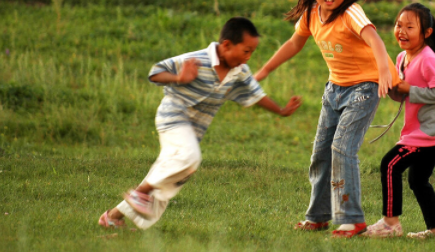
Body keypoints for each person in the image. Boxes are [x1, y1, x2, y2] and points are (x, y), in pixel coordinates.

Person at [98, 17, 301, 230]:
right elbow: (155, 73)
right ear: (226, 45)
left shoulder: (239, 72)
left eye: (252, 52)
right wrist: (179, 78)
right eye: (246, 51)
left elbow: (255, 95)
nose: (248, 58)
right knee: (190, 158)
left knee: (172, 176)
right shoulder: (197, 60)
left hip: (194, 132)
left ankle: (113, 217)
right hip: (173, 118)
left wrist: (281, 110)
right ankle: (140, 193)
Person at [254, 0, 398, 238]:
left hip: (365, 88)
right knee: (321, 153)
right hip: (334, 90)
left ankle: (351, 219)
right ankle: (318, 217)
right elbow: (294, 43)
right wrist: (264, 70)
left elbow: (375, 39)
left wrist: (383, 71)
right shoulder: (310, 13)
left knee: (343, 149)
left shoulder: (351, 12)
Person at [363, 3, 435, 240]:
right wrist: (392, 88)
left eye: (409, 26)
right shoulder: (401, 57)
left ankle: (390, 223)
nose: (401, 31)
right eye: (398, 25)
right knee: (418, 179)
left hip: (434, 130)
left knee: (390, 164)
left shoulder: (428, 59)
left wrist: (410, 89)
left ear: (426, 32)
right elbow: (403, 92)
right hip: (427, 129)